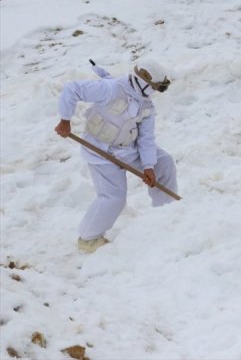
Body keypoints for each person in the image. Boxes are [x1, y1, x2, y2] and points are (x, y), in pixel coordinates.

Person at [54, 59, 178, 253]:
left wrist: (148, 166)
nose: (155, 92)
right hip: (101, 152)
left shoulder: (147, 106)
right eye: (154, 88)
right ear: (144, 82)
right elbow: (72, 89)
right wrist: (65, 120)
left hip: (128, 148)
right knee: (114, 197)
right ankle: (88, 238)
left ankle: (167, 213)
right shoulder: (109, 89)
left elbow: (146, 138)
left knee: (164, 163)